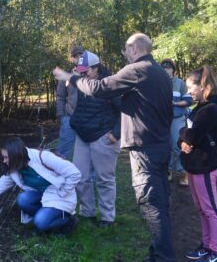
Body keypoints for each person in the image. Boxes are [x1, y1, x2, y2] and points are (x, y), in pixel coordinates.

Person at [53, 33, 175, 261]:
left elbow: (100, 89)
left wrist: (72, 78)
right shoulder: (159, 73)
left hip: (145, 148)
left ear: (134, 49)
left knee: (151, 205)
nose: (125, 55)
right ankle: (158, 253)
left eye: (126, 50)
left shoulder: (137, 70)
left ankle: (162, 257)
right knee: (158, 203)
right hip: (158, 145)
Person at [0, 137, 81, 235]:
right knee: (23, 199)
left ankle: (68, 221)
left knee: (40, 223)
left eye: (6, 157)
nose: (4, 161)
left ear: (16, 155)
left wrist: (63, 192)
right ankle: (46, 216)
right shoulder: (14, 169)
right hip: (41, 195)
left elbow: (74, 173)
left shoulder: (42, 157)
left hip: (59, 193)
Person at [69, 51, 121, 227]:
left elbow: (125, 111)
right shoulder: (82, 81)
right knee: (80, 176)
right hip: (82, 136)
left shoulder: (110, 85)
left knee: (104, 179)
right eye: (80, 71)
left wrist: (116, 133)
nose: (82, 74)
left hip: (103, 136)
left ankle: (107, 217)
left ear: (96, 68)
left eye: (86, 71)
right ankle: (87, 212)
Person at [179, 66, 217, 262]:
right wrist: (182, 140)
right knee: (201, 209)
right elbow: (185, 136)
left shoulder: (211, 109)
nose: (189, 91)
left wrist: (184, 136)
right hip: (194, 166)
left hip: (205, 167)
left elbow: (191, 134)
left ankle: (216, 252)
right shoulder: (199, 108)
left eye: (192, 87)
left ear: (203, 86)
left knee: (211, 210)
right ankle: (206, 246)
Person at [162, 59, 193, 187]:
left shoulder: (180, 83)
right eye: (163, 67)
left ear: (173, 70)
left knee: (177, 145)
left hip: (177, 118)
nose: (166, 69)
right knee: (165, 146)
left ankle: (182, 172)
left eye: (168, 67)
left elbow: (188, 100)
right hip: (162, 120)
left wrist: (175, 103)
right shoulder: (158, 83)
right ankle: (168, 171)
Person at [55, 45, 83, 159]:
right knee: (62, 152)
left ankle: (87, 177)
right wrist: (61, 115)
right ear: (72, 58)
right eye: (76, 56)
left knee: (86, 153)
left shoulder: (91, 74)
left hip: (87, 119)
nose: (79, 58)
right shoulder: (66, 75)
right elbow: (60, 97)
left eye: (81, 55)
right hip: (69, 118)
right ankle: (56, 176)